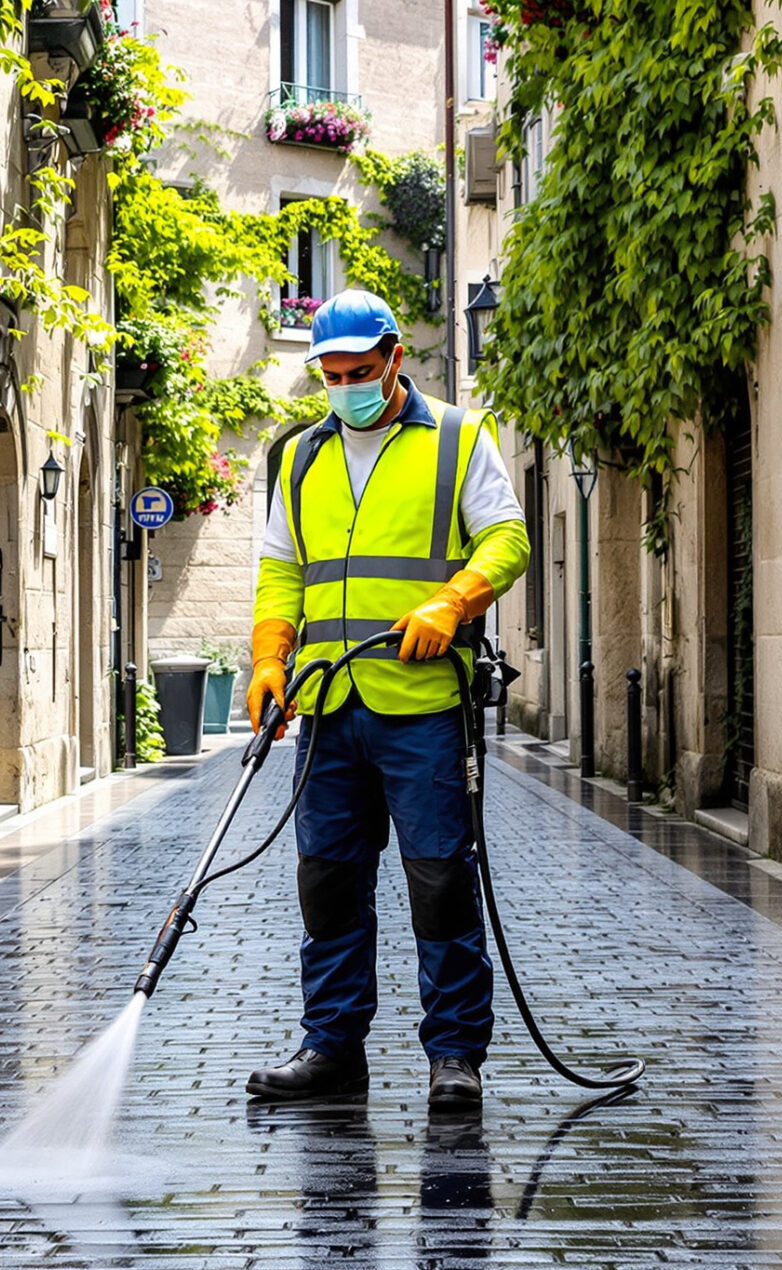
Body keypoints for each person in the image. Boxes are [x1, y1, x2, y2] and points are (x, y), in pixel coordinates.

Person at [243, 289, 529, 1109]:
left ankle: (454, 1055)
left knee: (439, 879)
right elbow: (280, 567)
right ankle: (332, 1048)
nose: (344, 388)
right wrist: (269, 658)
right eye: (329, 375)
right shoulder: (300, 456)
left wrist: (453, 601)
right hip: (329, 705)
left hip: (422, 706)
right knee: (327, 881)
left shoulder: (456, 439)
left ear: (395, 358)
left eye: (358, 372)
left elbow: (507, 537)